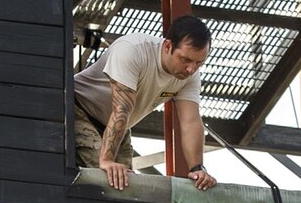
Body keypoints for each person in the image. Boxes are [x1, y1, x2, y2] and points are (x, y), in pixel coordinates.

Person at [72, 15, 217, 192]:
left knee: (127, 186)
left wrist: (197, 169)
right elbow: (122, 108)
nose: (191, 69)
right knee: (105, 179)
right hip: (79, 109)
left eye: (199, 63)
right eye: (185, 59)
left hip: (119, 127)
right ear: (168, 46)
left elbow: (191, 121)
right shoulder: (132, 50)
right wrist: (107, 160)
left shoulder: (190, 76)